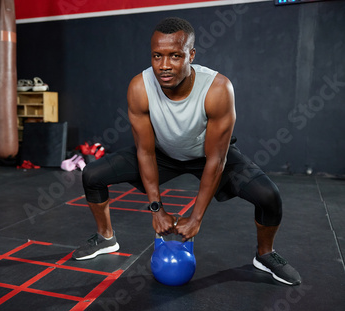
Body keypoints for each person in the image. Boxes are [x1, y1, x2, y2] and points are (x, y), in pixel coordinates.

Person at [72, 17, 301, 286]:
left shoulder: (217, 89)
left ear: (191, 55)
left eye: (175, 56)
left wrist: (196, 218)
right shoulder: (139, 87)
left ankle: (265, 254)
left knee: (269, 196)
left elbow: (217, 159)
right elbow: (144, 152)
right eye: (157, 56)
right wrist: (157, 209)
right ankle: (105, 237)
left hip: (207, 155)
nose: (164, 65)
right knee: (92, 174)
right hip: (162, 154)